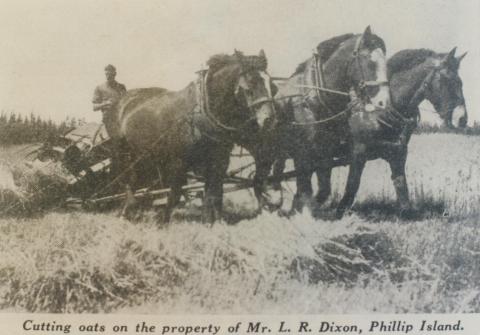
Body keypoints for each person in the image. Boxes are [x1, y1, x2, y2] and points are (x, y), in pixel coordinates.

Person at [92, 64, 126, 139]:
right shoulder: (100, 88)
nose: (108, 76)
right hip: (109, 120)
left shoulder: (121, 87)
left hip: (122, 119)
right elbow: (94, 107)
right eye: (106, 74)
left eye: (110, 74)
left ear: (115, 74)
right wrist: (105, 104)